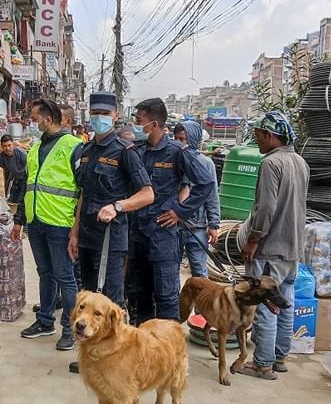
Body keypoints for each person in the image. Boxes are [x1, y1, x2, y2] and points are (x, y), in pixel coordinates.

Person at [67, 91, 154, 373]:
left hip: (111, 240)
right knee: (88, 302)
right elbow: (84, 195)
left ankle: (119, 361)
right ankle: (92, 357)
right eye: (95, 114)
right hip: (88, 238)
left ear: (116, 116)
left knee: (112, 305)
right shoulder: (86, 151)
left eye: (105, 114)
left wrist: (118, 205)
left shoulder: (125, 152)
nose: (99, 119)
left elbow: (147, 194)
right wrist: (74, 233)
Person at [126, 98, 215, 324]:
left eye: (139, 121)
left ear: (154, 124)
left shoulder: (177, 152)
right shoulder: (137, 151)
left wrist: (180, 212)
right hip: (137, 235)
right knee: (139, 295)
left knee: (166, 297)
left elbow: (204, 184)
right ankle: (145, 350)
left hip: (163, 236)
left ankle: (169, 351)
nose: (136, 125)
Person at [237, 112, 309, 381]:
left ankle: (262, 364)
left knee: (265, 303)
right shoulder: (300, 162)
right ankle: (279, 356)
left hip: (270, 247)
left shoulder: (271, 164)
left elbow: (266, 208)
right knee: (285, 300)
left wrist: (253, 239)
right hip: (293, 247)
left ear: (270, 136)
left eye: (258, 137)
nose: (256, 142)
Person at [12, 99, 83, 351]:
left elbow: (84, 190)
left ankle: (71, 329)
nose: (32, 123)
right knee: (46, 274)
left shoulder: (74, 146)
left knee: (66, 278)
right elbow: (26, 186)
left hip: (60, 223)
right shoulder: (34, 148)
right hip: (37, 222)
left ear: (48, 119)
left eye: (34, 118)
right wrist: (19, 220)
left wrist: (76, 228)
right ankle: (45, 322)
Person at [174, 122, 221, 278]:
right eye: (177, 139)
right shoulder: (172, 160)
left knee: (199, 270)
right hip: (174, 224)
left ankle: (202, 302)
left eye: (183, 139)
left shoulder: (205, 163)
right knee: (171, 268)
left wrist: (214, 224)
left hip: (197, 226)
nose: (180, 143)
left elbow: (211, 195)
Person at [0, 134, 27, 205]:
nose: (7, 148)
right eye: (4, 146)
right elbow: (1, 176)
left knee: (22, 202)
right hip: (15, 180)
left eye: (9, 145)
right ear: (1, 147)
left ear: (13, 144)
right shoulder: (1, 158)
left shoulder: (22, 154)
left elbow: (31, 169)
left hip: (26, 180)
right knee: (11, 202)